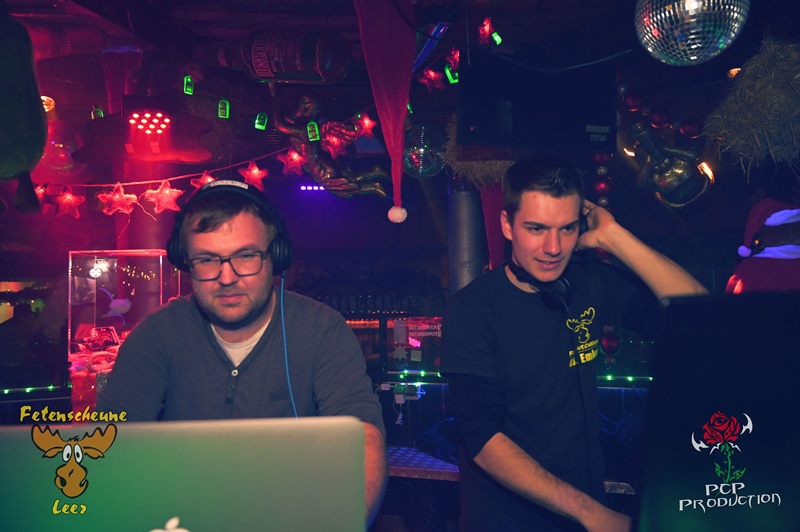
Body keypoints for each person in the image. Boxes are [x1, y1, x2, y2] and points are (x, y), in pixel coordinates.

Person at [441, 153, 707, 532]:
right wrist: (591, 512)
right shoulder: (472, 310)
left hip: (583, 515)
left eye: (567, 229)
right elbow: (483, 439)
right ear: (507, 225)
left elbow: (696, 315)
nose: (554, 248)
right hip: (505, 522)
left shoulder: (589, 282)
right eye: (536, 228)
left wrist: (614, 236)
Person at [97, 179, 387, 524]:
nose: (227, 277)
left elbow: (362, 437)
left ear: (276, 257)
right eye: (207, 260)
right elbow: (109, 440)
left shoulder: (322, 330)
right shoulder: (156, 335)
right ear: (185, 263)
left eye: (246, 256)